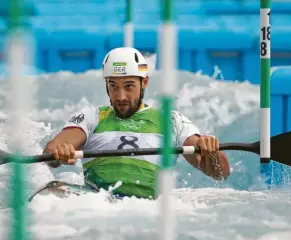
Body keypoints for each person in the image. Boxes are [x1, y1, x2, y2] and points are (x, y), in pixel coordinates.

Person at [43, 47, 230, 199]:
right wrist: (59, 152)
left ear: (144, 82)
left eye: (129, 86)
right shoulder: (92, 117)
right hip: (97, 203)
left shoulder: (171, 120)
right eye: (113, 86)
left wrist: (211, 151)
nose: (121, 96)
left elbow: (220, 173)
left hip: (146, 210)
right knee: (52, 188)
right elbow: (51, 151)